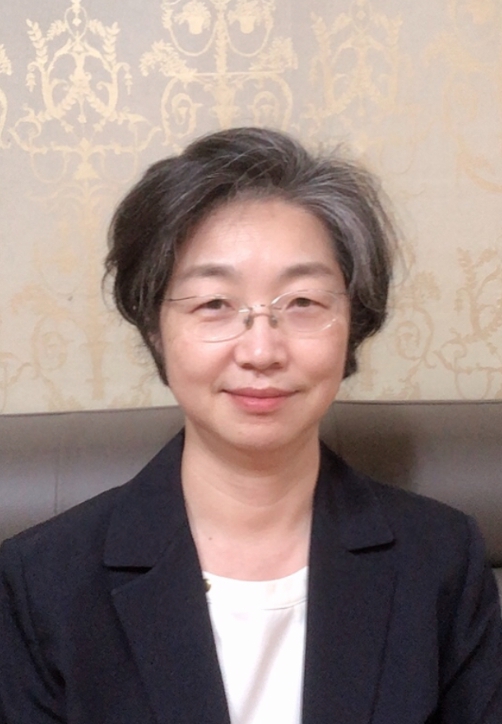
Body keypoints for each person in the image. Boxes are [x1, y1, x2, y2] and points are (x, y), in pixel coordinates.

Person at [0, 127, 501, 724]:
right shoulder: (41, 584)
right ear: (154, 328)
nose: (261, 351)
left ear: (354, 322)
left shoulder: (442, 560)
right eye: (214, 304)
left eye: (303, 303)